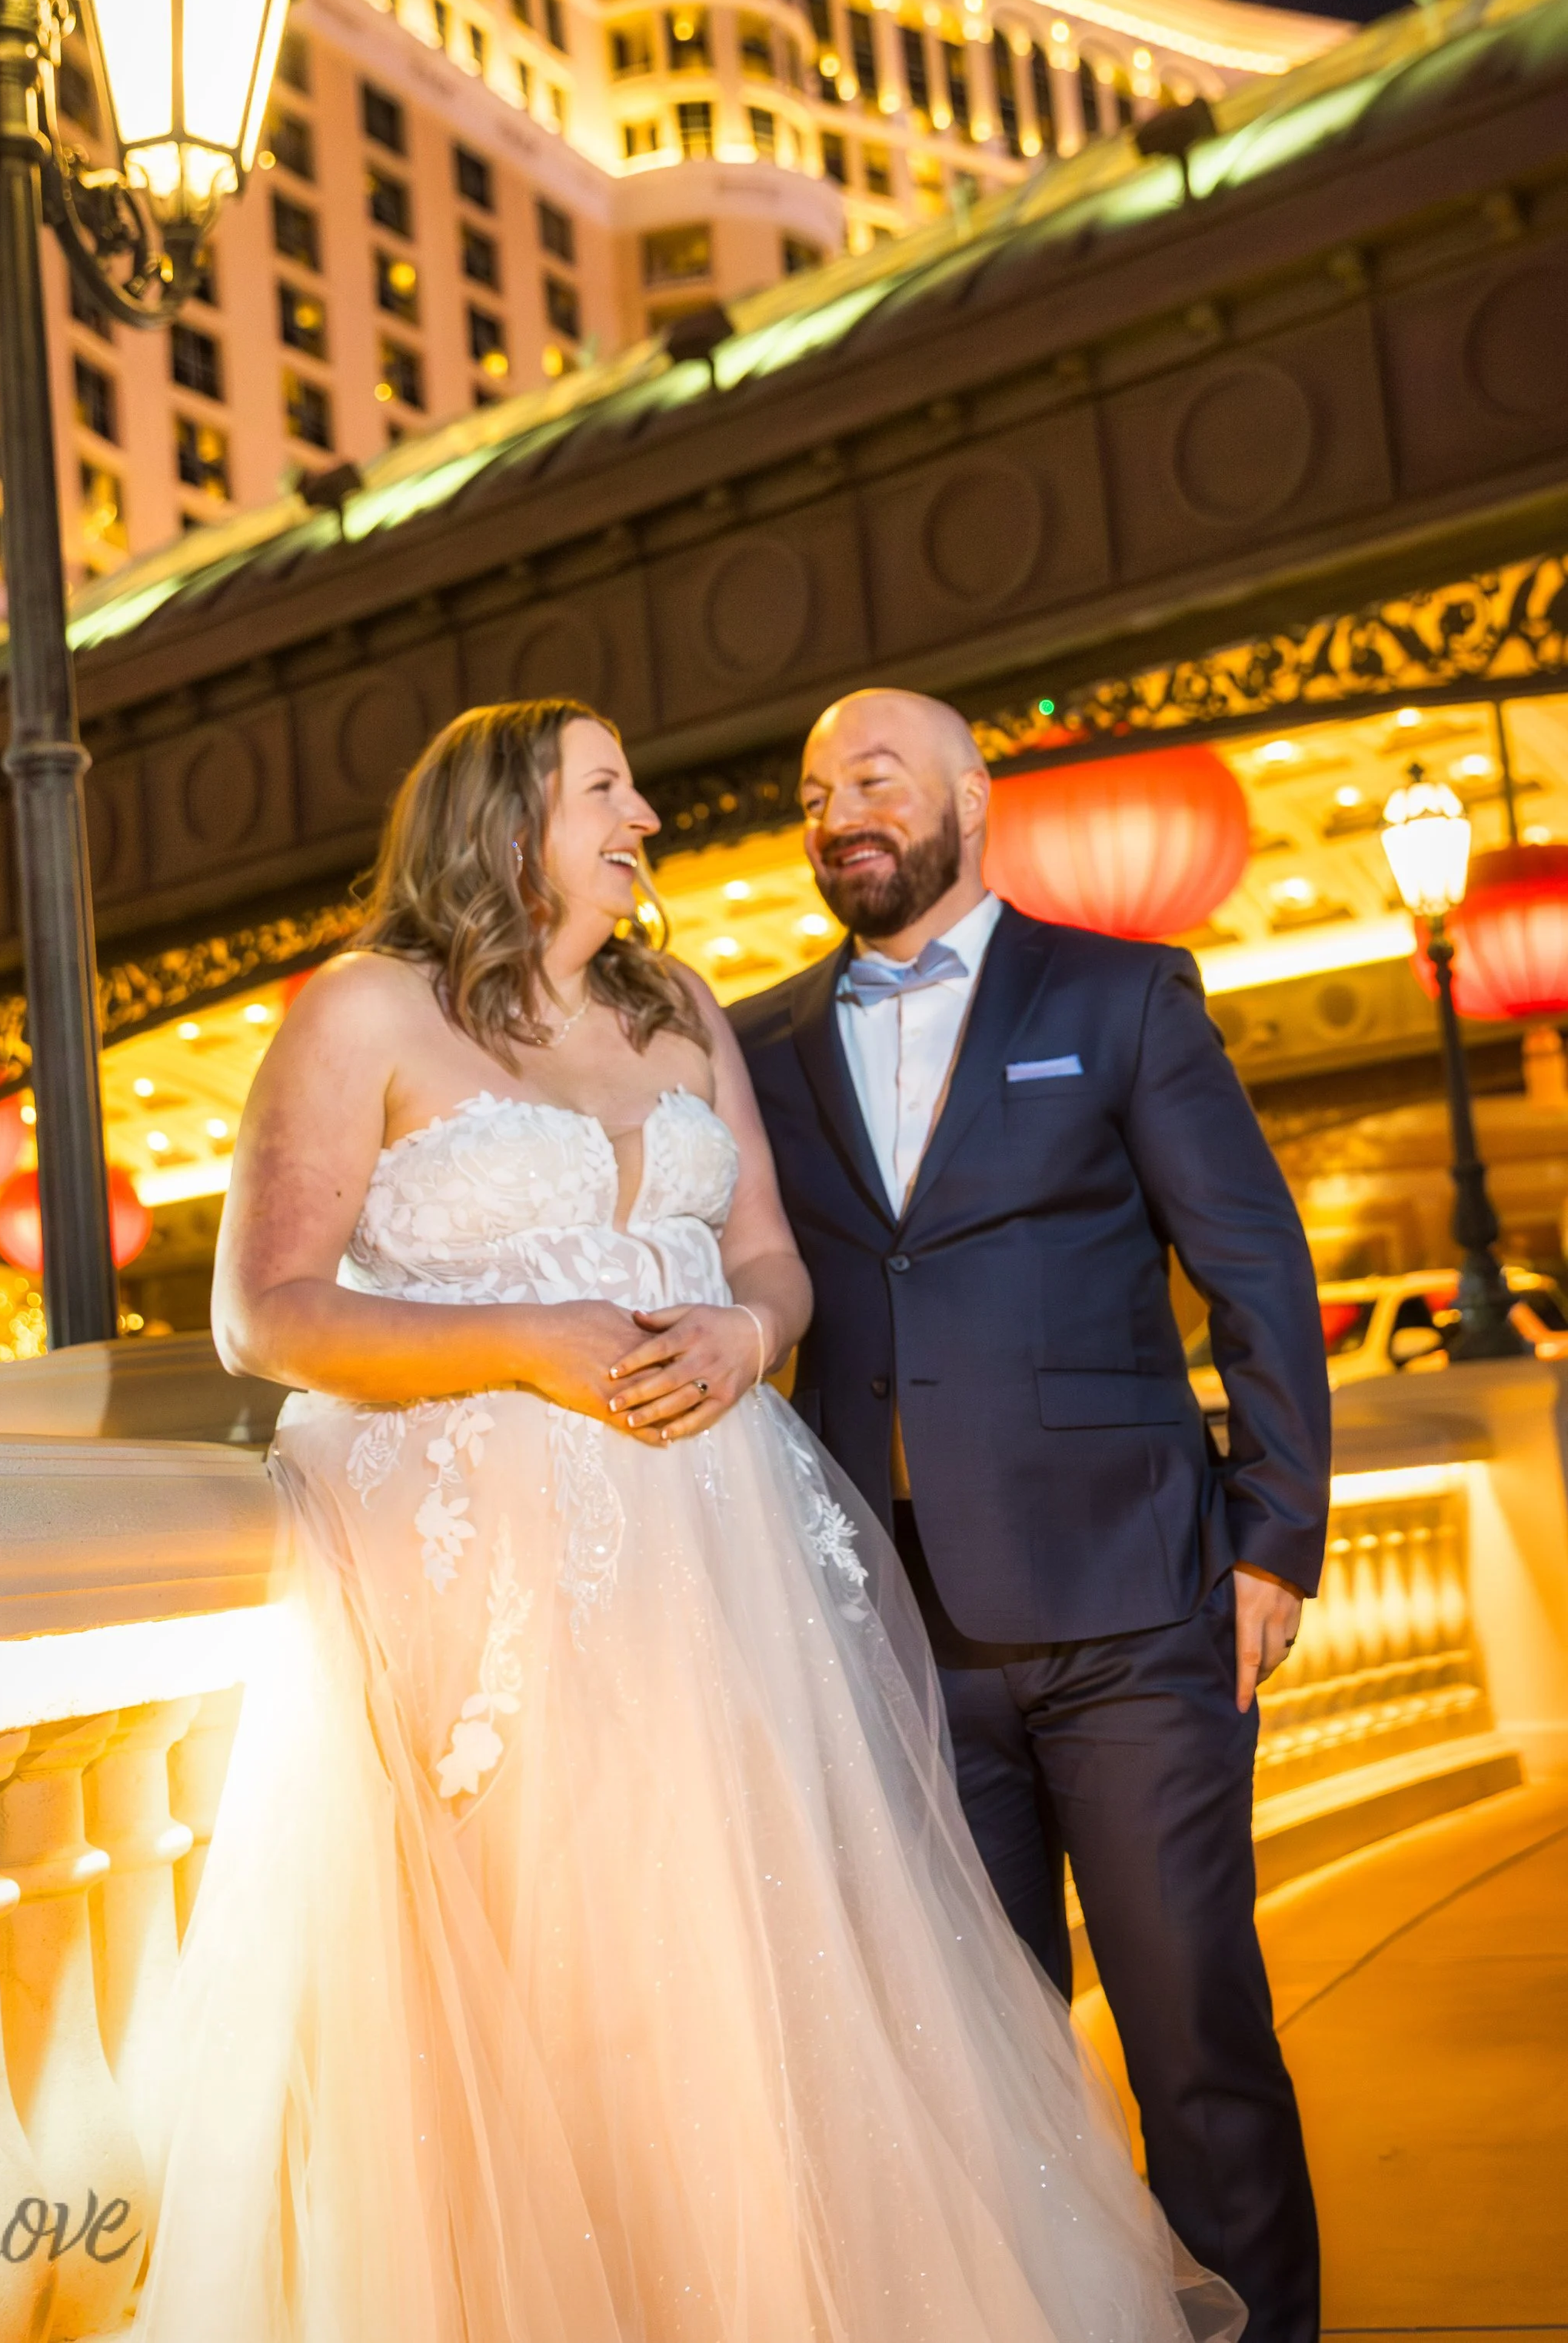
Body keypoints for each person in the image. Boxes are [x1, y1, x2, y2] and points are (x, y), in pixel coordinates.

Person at [138, 697, 1242, 2343]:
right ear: (507, 819)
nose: (642, 811)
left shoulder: (676, 1009)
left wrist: (743, 1336)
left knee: (755, 1986)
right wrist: (526, 1342)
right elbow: (268, 1316)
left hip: (711, 1564)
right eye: (604, 787)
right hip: (489, 1595)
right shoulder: (361, 1009)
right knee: (554, 2000)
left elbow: (768, 1263)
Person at [731, 688, 1331, 2343]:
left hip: (1138, 1614)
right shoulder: (755, 1042)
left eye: (873, 775)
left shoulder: (1119, 994)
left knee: (1195, 2042)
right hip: (901, 1639)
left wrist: (1274, 1532)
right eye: (809, 788)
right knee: (982, 2073)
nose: (837, 806)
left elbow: (1252, 1267)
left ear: (969, 798)